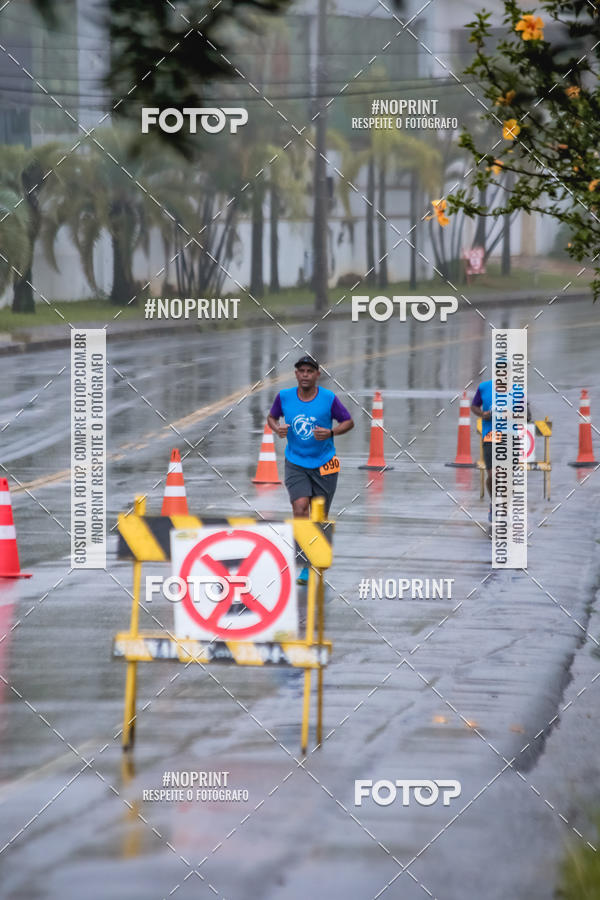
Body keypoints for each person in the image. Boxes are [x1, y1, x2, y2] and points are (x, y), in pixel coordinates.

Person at [267, 354, 354, 584]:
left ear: (317, 375)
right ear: (296, 374)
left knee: (319, 515)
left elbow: (348, 421)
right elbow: (271, 417)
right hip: (295, 462)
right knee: (300, 506)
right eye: (301, 371)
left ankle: (317, 554)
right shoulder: (284, 397)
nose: (305, 375)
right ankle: (304, 561)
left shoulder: (329, 398)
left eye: (309, 371)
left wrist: (332, 432)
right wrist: (277, 429)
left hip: (326, 463)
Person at [471, 378, 493, 521]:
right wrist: (483, 414)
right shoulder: (484, 387)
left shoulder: (517, 389)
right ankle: (495, 504)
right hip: (491, 436)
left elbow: (527, 416)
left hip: (511, 436)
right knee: (493, 476)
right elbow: (474, 406)